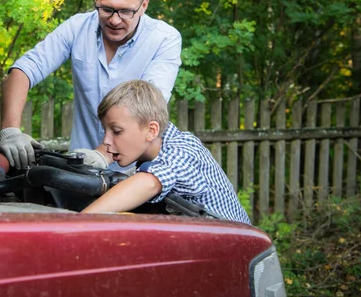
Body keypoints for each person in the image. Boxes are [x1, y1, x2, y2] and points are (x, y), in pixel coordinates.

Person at [0, 0, 182, 170]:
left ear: (144, 5)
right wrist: (10, 131)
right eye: (106, 9)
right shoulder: (77, 27)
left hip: (136, 174)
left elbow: (148, 105)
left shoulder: (165, 39)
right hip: (80, 167)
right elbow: (24, 69)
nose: (114, 20)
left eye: (125, 12)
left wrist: (103, 155)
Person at [81, 80, 251, 224]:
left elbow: (150, 183)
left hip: (239, 248)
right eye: (106, 131)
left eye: (117, 131)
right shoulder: (151, 155)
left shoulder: (184, 151)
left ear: (151, 130)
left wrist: (78, 222)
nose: (106, 141)